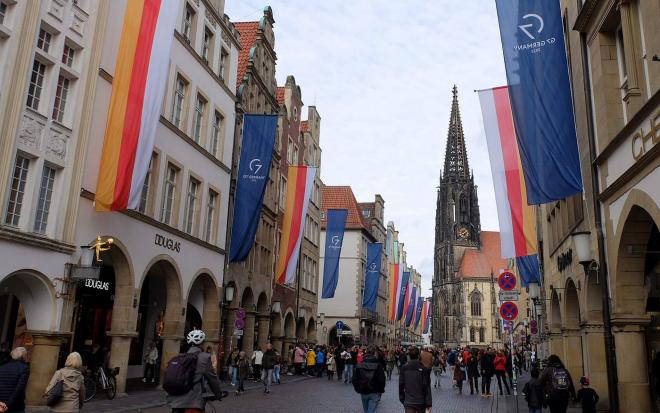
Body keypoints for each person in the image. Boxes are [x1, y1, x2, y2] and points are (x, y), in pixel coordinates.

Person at [166, 330, 224, 412]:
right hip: (192, 400)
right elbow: (212, 379)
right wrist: (218, 394)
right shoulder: (204, 357)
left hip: (175, 399)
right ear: (202, 343)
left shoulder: (179, 357)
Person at [353, 345, 386, 413]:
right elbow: (382, 380)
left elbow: (355, 379)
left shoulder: (360, 364)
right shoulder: (378, 365)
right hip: (375, 391)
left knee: (367, 410)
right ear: (374, 353)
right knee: (371, 411)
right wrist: (380, 390)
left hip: (363, 390)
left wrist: (358, 389)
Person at [399, 347, 432, 413]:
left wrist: (402, 399)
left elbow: (401, 384)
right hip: (420, 401)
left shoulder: (404, 368)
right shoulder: (423, 368)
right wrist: (429, 403)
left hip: (409, 401)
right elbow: (427, 387)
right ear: (418, 356)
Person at [0, 347, 30, 413]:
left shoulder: (2, 367)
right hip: (16, 406)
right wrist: (8, 405)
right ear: (23, 356)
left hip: (1, 405)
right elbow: (19, 389)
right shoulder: (24, 368)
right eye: (26, 355)